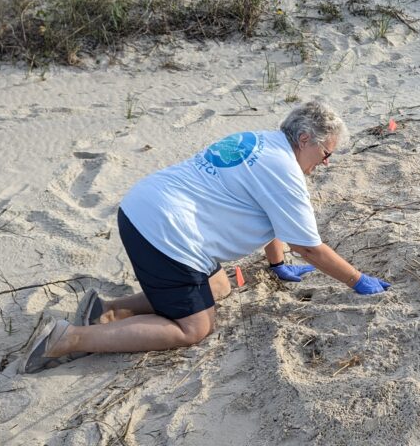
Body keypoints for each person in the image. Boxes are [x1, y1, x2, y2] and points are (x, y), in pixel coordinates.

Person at [23, 101, 390, 373]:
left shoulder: (259, 141)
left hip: (143, 207)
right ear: (306, 138)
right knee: (195, 328)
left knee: (219, 288)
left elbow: (270, 213)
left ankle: (105, 310)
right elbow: (309, 247)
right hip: (165, 234)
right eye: (325, 154)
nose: (325, 163)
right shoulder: (284, 170)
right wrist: (357, 280)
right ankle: (66, 339)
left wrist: (276, 262)